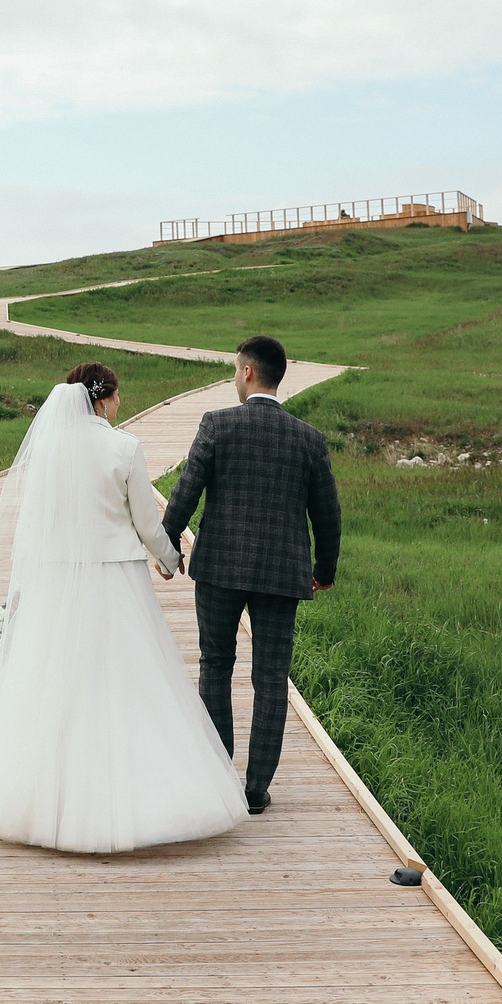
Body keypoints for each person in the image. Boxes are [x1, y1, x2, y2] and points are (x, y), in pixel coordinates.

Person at [0, 361, 249, 852]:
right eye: (116, 396)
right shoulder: (123, 447)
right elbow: (145, 520)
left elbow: (34, 525)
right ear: (101, 398)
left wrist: (25, 584)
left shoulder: (48, 451)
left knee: (59, 679)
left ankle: (41, 804)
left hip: (57, 578)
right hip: (115, 578)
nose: (119, 404)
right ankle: (141, 802)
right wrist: (169, 558)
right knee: (127, 677)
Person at [160, 335, 342, 815]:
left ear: (247, 372)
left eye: (234, 370)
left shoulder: (217, 424)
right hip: (283, 574)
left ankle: (219, 778)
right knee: (271, 678)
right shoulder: (308, 438)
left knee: (215, 666)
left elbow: (186, 490)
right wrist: (324, 570)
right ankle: (257, 789)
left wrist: (167, 545)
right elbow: (327, 514)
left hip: (219, 567)